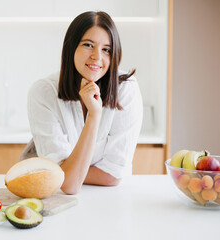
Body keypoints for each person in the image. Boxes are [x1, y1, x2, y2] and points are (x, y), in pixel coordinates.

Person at [24, 11, 143, 195]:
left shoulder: (126, 89)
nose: (97, 56)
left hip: (107, 199)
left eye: (106, 49)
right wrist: (94, 116)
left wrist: (67, 172)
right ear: (71, 47)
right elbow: (69, 186)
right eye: (88, 45)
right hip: (52, 196)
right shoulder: (43, 93)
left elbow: (113, 175)